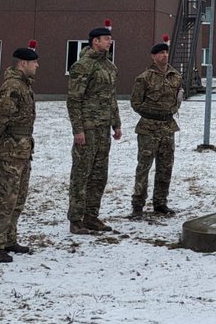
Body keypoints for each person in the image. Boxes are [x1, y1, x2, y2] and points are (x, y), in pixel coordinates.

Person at [0, 41, 40, 263]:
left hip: (22, 149)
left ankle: (9, 238)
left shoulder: (24, 84)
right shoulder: (13, 86)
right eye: (34, 62)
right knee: (6, 197)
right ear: (23, 63)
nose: (37, 66)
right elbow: (2, 117)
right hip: (10, 149)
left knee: (18, 197)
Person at [67, 21, 122, 234]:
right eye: (106, 39)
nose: (110, 42)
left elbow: (112, 98)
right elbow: (73, 100)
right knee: (82, 174)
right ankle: (76, 219)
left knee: (99, 175)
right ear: (95, 41)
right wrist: (77, 129)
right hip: (87, 129)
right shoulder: (83, 66)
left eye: (110, 39)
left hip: (103, 129)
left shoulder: (109, 66)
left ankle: (91, 216)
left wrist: (116, 123)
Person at [129, 36, 184, 218]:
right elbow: (136, 103)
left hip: (168, 127)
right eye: (160, 53)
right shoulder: (144, 78)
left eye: (166, 52)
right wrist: (152, 111)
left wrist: (172, 109)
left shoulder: (175, 76)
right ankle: (138, 204)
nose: (164, 55)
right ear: (153, 57)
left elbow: (178, 98)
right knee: (144, 167)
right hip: (149, 128)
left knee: (165, 167)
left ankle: (161, 202)